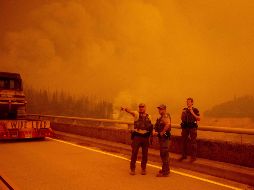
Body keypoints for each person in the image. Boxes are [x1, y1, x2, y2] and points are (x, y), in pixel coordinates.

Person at [121, 103, 153, 175]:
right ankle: (132, 169)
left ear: (145, 108)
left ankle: (143, 169)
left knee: (145, 154)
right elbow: (130, 111)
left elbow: (150, 127)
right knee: (134, 153)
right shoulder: (136, 114)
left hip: (145, 137)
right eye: (140, 107)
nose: (141, 108)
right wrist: (125, 109)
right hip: (137, 137)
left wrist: (151, 137)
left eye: (142, 107)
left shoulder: (149, 116)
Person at [179, 98, 200, 162]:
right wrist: (183, 113)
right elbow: (182, 119)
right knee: (183, 142)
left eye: (189, 102)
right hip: (185, 128)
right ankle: (184, 156)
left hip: (192, 128)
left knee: (193, 142)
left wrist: (192, 112)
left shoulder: (195, 110)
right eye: (187, 102)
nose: (188, 103)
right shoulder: (184, 110)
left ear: (192, 103)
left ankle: (193, 157)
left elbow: (198, 118)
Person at [153, 104, 171, 177]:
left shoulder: (165, 116)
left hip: (165, 138)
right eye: (159, 109)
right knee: (163, 154)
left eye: (161, 109)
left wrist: (162, 132)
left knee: (164, 154)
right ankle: (165, 169)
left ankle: (165, 172)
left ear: (164, 109)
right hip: (162, 138)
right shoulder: (161, 117)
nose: (160, 110)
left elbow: (168, 124)